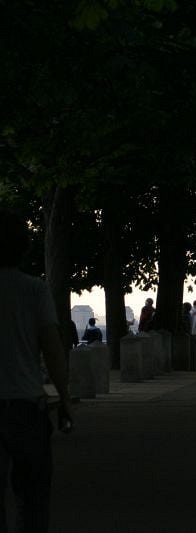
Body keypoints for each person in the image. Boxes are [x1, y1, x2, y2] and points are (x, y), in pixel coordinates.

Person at [0, 208, 73, 531]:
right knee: (33, 498)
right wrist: (64, 399)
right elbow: (53, 350)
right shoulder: (34, 289)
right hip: (26, 407)